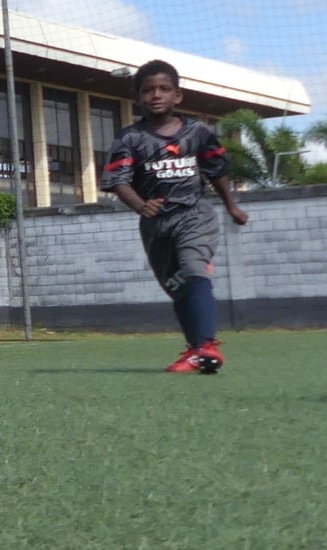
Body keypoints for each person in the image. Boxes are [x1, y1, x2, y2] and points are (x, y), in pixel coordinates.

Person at [101, 60, 250, 374]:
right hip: (156, 226)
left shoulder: (198, 132)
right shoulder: (130, 139)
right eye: (148, 90)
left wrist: (230, 206)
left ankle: (205, 345)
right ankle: (199, 350)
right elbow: (118, 181)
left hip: (194, 215)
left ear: (177, 96)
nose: (156, 95)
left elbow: (217, 171)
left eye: (164, 89)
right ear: (138, 98)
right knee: (178, 286)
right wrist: (141, 206)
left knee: (194, 269)